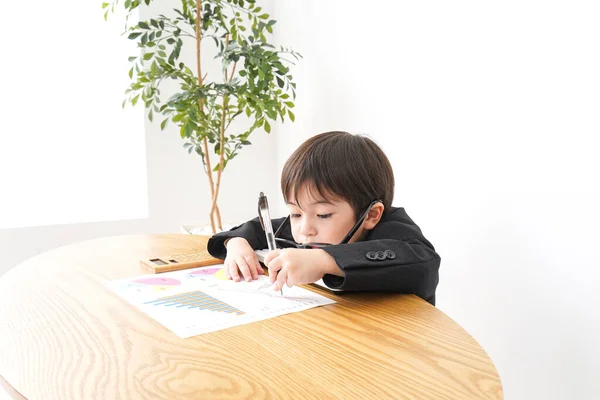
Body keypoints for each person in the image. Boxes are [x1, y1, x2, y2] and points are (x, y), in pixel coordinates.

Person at [207, 131, 441, 305]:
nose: (304, 229)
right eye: (295, 213)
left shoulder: (395, 231)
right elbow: (259, 228)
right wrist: (237, 243)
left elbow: (422, 263)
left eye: (323, 215)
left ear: (370, 215)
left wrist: (324, 260)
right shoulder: (308, 225)